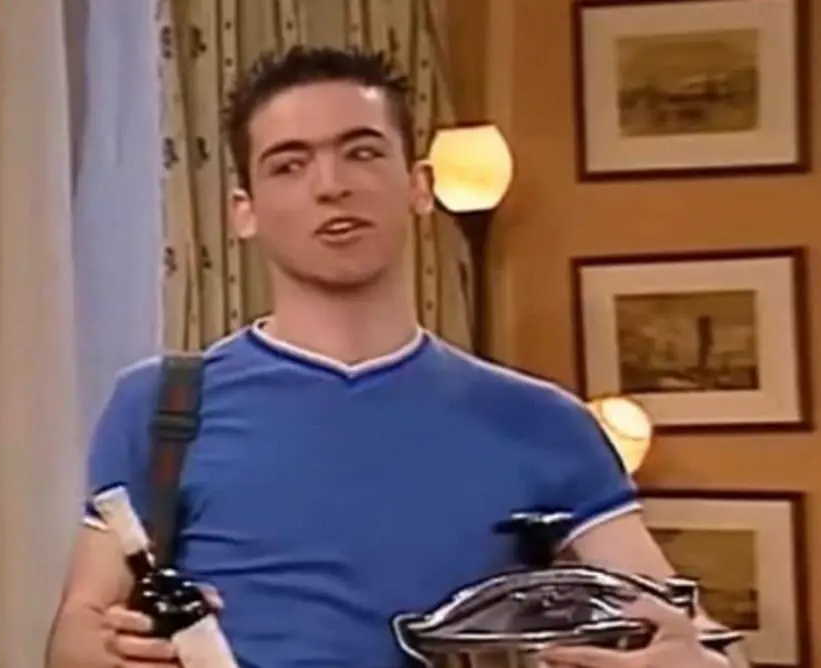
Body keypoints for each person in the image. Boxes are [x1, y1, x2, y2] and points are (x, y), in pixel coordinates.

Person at [45, 46, 746, 668]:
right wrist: (99, 650)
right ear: (244, 211)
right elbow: (76, 632)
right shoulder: (163, 406)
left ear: (419, 185)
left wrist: (698, 659)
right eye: (290, 164)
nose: (331, 185)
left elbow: (695, 634)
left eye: (362, 152)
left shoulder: (543, 421)